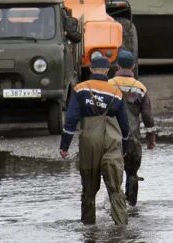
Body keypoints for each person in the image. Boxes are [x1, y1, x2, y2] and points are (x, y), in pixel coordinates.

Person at [59, 55, 131, 225]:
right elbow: (125, 125)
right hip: (112, 143)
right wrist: (125, 146)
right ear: (107, 70)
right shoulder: (116, 93)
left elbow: (70, 120)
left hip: (89, 142)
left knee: (89, 191)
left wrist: (64, 146)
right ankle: (121, 230)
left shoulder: (80, 89)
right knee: (115, 188)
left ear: (91, 69)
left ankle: (88, 229)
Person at [107, 50, 155, 207]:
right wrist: (151, 139)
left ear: (117, 66)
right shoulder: (140, 88)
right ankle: (132, 205)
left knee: (113, 173)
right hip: (133, 138)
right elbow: (147, 116)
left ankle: (115, 205)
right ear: (133, 66)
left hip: (111, 138)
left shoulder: (108, 85)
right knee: (132, 173)